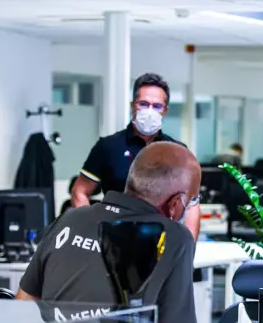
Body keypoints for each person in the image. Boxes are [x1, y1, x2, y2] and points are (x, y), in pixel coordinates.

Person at [17, 142, 200, 323]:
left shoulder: (71, 218)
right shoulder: (175, 237)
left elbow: (23, 304)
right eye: (191, 200)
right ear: (176, 203)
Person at [69, 73, 200, 240]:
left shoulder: (177, 152)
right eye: (143, 104)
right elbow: (79, 191)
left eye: (157, 106)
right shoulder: (108, 146)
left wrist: (188, 247)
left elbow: (192, 205)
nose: (150, 111)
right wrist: (92, 232)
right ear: (133, 106)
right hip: (114, 240)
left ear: (165, 110)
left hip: (162, 240)